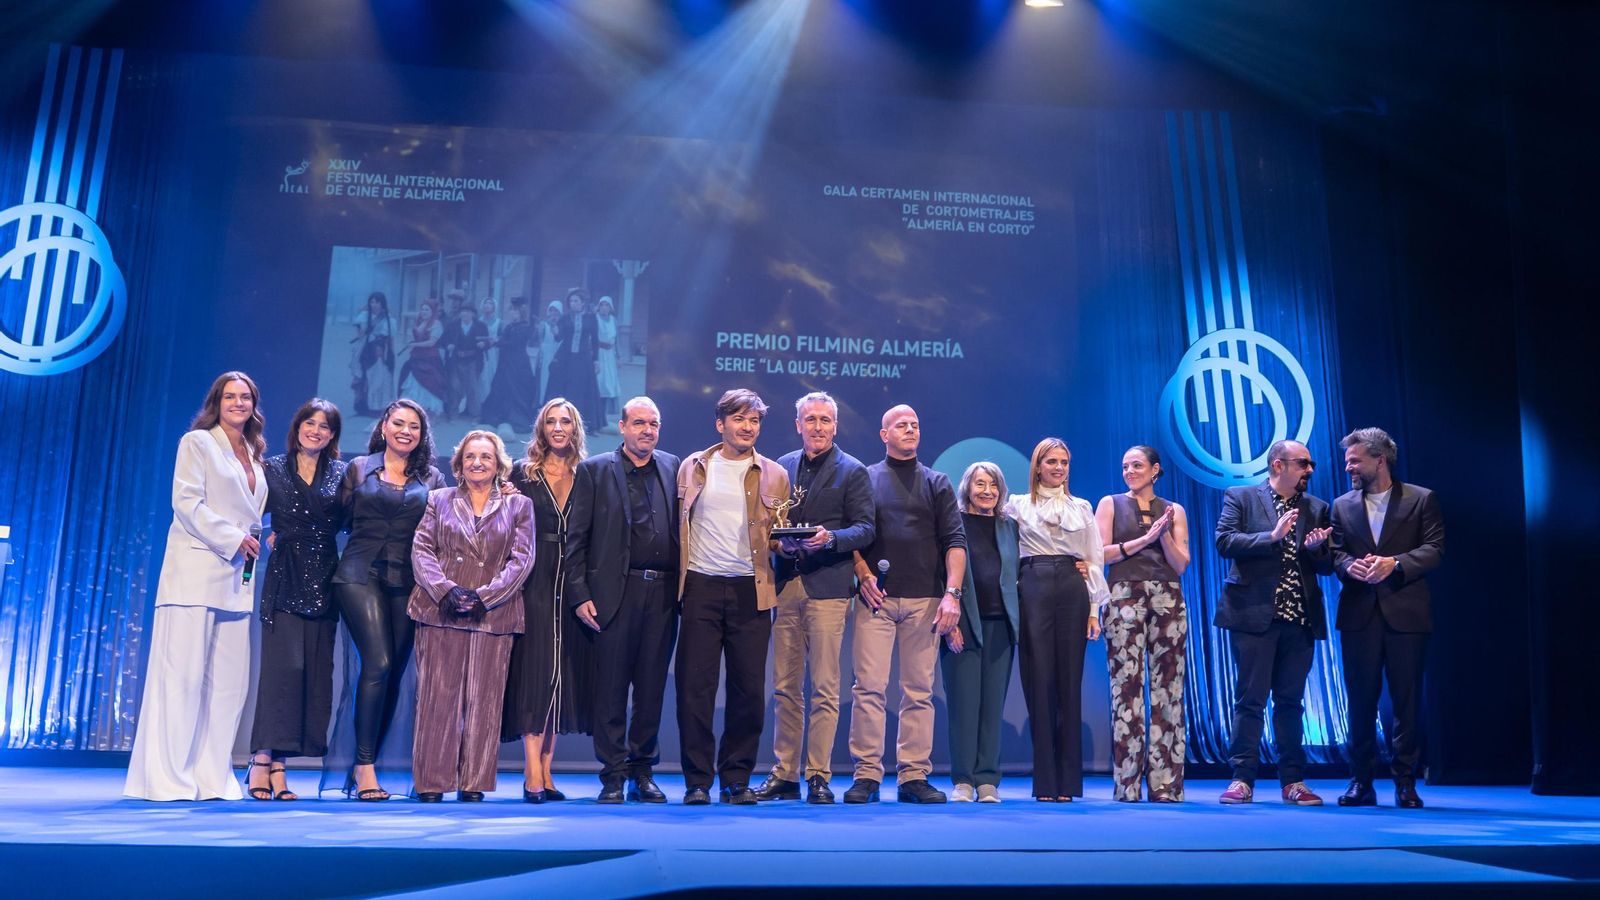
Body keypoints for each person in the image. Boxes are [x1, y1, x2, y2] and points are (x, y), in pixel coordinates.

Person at [125, 372, 269, 801]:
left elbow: (249, 512)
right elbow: (187, 502)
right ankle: (168, 778)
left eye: (246, 397)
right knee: (182, 679)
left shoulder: (254, 453)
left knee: (227, 685)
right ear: (216, 401)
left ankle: (211, 776)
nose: (238, 403)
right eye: (230, 396)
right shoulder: (198, 443)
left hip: (236, 579)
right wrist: (231, 537)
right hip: (195, 573)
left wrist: (263, 535)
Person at [754, 391, 875, 804]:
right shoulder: (781, 467)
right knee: (786, 686)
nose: (818, 427)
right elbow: (769, 526)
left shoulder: (853, 471)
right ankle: (785, 773)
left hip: (828, 589)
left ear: (835, 426)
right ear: (798, 424)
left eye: (825, 420)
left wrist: (829, 540)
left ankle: (819, 775)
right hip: (787, 586)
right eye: (811, 420)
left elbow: (865, 529)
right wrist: (779, 546)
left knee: (824, 687)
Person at [675, 389, 790, 805]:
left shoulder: (775, 473)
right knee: (695, 690)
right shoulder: (691, 467)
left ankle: (736, 779)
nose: (747, 427)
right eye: (739, 419)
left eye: (754, 421)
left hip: (751, 590)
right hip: (701, 586)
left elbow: (777, 534)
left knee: (747, 692)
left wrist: (791, 545)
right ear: (720, 424)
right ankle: (697, 781)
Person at [565, 396, 682, 804]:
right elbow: (575, 539)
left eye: (653, 423)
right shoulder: (594, 470)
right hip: (614, 594)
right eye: (638, 423)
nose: (646, 430)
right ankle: (612, 774)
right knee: (611, 690)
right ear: (622, 426)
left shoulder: (673, 466)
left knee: (651, 689)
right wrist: (579, 594)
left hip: (664, 593)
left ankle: (642, 771)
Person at [847, 404, 965, 805]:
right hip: (876, 600)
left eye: (915, 424)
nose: (910, 429)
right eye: (901, 425)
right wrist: (863, 575)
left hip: (926, 601)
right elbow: (853, 537)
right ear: (884, 435)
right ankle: (866, 775)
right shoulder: (864, 477)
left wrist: (952, 594)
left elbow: (955, 542)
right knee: (869, 689)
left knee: (918, 691)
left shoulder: (938, 482)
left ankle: (914, 776)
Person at [408, 431, 534, 802]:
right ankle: (431, 782)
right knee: (436, 698)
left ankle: (473, 782)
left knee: (485, 701)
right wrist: (446, 591)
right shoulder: (438, 499)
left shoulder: (519, 505)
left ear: (499, 465)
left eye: (486, 457)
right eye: (470, 456)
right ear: (459, 464)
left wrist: (485, 597)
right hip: (439, 610)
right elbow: (422, 550)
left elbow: (522, 559)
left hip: (493, 614)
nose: (477, 462)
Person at [332, 399, 446, 800]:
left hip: (407, 582)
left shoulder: (432, 478)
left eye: (414, 426)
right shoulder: (359, 469)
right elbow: (335, 519)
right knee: (377, 663)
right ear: (384, 426)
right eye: (399, 423)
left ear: (421, 434)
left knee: (394, 671)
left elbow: (447, 527)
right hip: (359, 575)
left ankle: (368, 762)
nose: (405, 431)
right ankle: (364, 769)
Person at [1214, 439, 1334, 806]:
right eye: (1303, 464)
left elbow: (1327, 566)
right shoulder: (1243, 497)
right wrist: (1272, 536)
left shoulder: (1317, 508)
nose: (1309, 470)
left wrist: (1317, 551)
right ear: (1278, 465)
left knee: (1291, 702)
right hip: (1253, 616)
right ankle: (1242, 779)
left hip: (1299, 619)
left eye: (1311, 464)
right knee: (1250, 700)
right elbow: (1224, 541)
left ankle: (1293, 782)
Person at [1331, 427, 1444, 809]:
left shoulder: (1421, 499)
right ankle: (1360, 782)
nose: (1349, 467)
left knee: (1406, 701)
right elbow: (1336, 553)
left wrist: (1394, 563)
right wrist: (1350, 567)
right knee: (1360, 701)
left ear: (1380, 460)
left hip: (1406, 613)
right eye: (1348, 460)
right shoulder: (1341, 505)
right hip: (1359, 613)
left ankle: (1405, 783)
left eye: (1354, 460)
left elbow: (1434, 550)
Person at [245, 399, 349, 802]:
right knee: (281, 672)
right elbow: (245, 508)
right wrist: (267, 532)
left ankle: (282, 767)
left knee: (312, 675)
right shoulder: (271, 468)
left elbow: (361, 515)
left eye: (325, 426)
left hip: (325, 578)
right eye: (310, 422)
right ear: (298, 426)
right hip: (286, 577)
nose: (317, 431)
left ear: (333, 435)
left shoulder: (342, 473)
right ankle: (261, 760)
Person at [1004, 438, 1107, 802]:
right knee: (1039, 680)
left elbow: (1094, 558)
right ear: (1037, 466)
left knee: (1068, 682)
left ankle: (1068, 783)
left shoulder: (1081, 507)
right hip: (1031, 583)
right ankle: (1045, 781)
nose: (1059, 467)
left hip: (1071, 585)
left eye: (1064, 461)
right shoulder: (1016, 505)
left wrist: (1095, 609)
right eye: (1051, 461)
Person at [502, 398, 594, 802]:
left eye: (566, 422)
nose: (559, 428)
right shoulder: (522, 476)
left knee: (561, 675)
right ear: (541, 429)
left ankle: (548, 769)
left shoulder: (587, 475)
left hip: (573, 582)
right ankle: (530, 769)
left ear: (575, 430)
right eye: (551, 421)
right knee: (535, 672)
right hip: (534, 580)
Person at [1095, 445, 1191, 803]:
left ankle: (1166, 784)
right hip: (1123, 596)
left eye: (1137, 465)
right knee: (1127, 688)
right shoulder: (1109, 504)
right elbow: (1099, 553)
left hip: (1168, 596)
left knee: (1168, 689)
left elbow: (1181, 563)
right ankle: (1127, 785)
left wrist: (1162, 534)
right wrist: (1144, 540)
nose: (1130, 471)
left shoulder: (1174, 509)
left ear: (1155, 470)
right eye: (1125, 466)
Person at [940, 461, 1022, 803]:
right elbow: (942, 574)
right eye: (980, 484)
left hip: (1001, 625)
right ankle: (963, 780)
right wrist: (951, 625)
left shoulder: (1010, 527)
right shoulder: (953, 524)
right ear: (967, 488)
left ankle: (987, 780)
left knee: (992, 706)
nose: (987, 491)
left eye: (993, 485)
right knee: (964, 706)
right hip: (963, 625)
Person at [480, 299, 539, 432]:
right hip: (505, 362)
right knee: (501, 387)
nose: (513, 313)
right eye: (512, 311)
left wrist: (497, 342)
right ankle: (499, 417)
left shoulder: (525, 327)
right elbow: (504, 340)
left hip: (518, 362)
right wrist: (495, 342)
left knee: (516, 389)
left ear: (521, 313)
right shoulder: (510, 326)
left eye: (515, 311)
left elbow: (514, 343)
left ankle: (516, 419)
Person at [548, 288, 600, 427]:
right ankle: (564, 419)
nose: (573, 303)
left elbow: (595, 340)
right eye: (571, 301)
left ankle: (583, 422)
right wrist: (554, 326)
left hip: (583, 358)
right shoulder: (565, 318)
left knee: (582, 388)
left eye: (576, 301)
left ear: (583, 303)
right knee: (565, 387)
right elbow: (559, 338)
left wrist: (596, 360)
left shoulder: (591, 318)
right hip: (566, 357)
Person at [398, 299, 448, 415]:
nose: (424, 312)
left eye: (427, 309)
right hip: (416, 358)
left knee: (431, 384)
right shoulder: (419, 322)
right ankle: (414, 410)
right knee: (413, 383)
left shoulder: (437, 324)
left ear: (433, 311)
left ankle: (429, 411)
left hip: (430, 359)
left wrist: (414, 345)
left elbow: (431, 342)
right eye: (422, 309)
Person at [443, 304, 491, 420]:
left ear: (472, 314)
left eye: (467, 312)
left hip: (473, 361)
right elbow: (443, 339)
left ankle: (475, 415)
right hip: (456, 361)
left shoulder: (481, 326)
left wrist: (484, 344)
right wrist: (448, 345)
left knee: (473, 388)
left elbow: (487, 341)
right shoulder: (452, 326)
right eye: (462, 311)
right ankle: (453, 413)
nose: (464, 314)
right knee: (455, 387)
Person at [351, 292, 393, 416]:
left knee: (378, 378)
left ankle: (375, 407)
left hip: (379, 351)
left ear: (382, 303)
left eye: (377, 302)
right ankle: (362, 404)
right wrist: (365, 328)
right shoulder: (364, 316)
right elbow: (360, 335)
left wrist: (389, 355)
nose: (374, 304)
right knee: (363, 376)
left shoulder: (388, 319)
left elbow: (389, 338)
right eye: (372, 302)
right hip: (364, 349)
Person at [594, 296, 621, 422]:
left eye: (607, 305)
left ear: (611, 308)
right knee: (599, 383)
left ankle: (604, 415)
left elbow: (617, 340)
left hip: (610, 355)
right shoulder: (595, 319)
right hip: (599, 353)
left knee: (608, 385)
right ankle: (596, 415)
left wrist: (618, 356)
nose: (604, 307)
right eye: (602, 305)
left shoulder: (613, 321)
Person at [536, 301, 563, 405]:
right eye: (551, 310)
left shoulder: (562, 324)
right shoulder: (544, 324)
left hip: (558, 352)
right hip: (546, 353)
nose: (553, 313)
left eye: (556, 310)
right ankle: (542, 401)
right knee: (544, 378)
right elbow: (539, 340)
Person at [478, 297, 502, 403]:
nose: (487, 305)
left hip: (493, 354)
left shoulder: (499, 322)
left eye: (490, 304)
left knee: (491, 376)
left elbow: (501, 338)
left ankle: (491, 402)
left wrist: (493, 342)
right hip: (479, 352)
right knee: (480, 378)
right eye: (485, 303)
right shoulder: (478, 321)